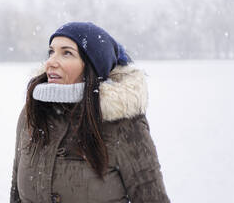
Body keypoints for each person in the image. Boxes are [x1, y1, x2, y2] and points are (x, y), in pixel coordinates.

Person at [10, 22, 170, 203]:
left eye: (67, 53)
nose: (51, 62)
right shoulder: (33, 114)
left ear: (91, 67)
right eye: (51, 52)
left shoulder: (123, 124)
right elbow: (16, 192)